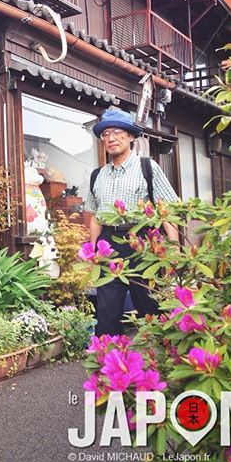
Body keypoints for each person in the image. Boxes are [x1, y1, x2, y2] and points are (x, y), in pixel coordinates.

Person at [84, 108, 179, 336]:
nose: (111, 138)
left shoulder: (148, 168)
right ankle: (107, 363)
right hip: (108, 245)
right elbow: (96, 216)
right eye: (106, 134)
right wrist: (93, 252)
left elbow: (168, 212)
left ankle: (160, 361)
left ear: (130, 136)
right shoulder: (98, 175)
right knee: (106, 312)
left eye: (117, 132)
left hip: (142, 242)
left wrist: (173, 252)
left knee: (150, 306)